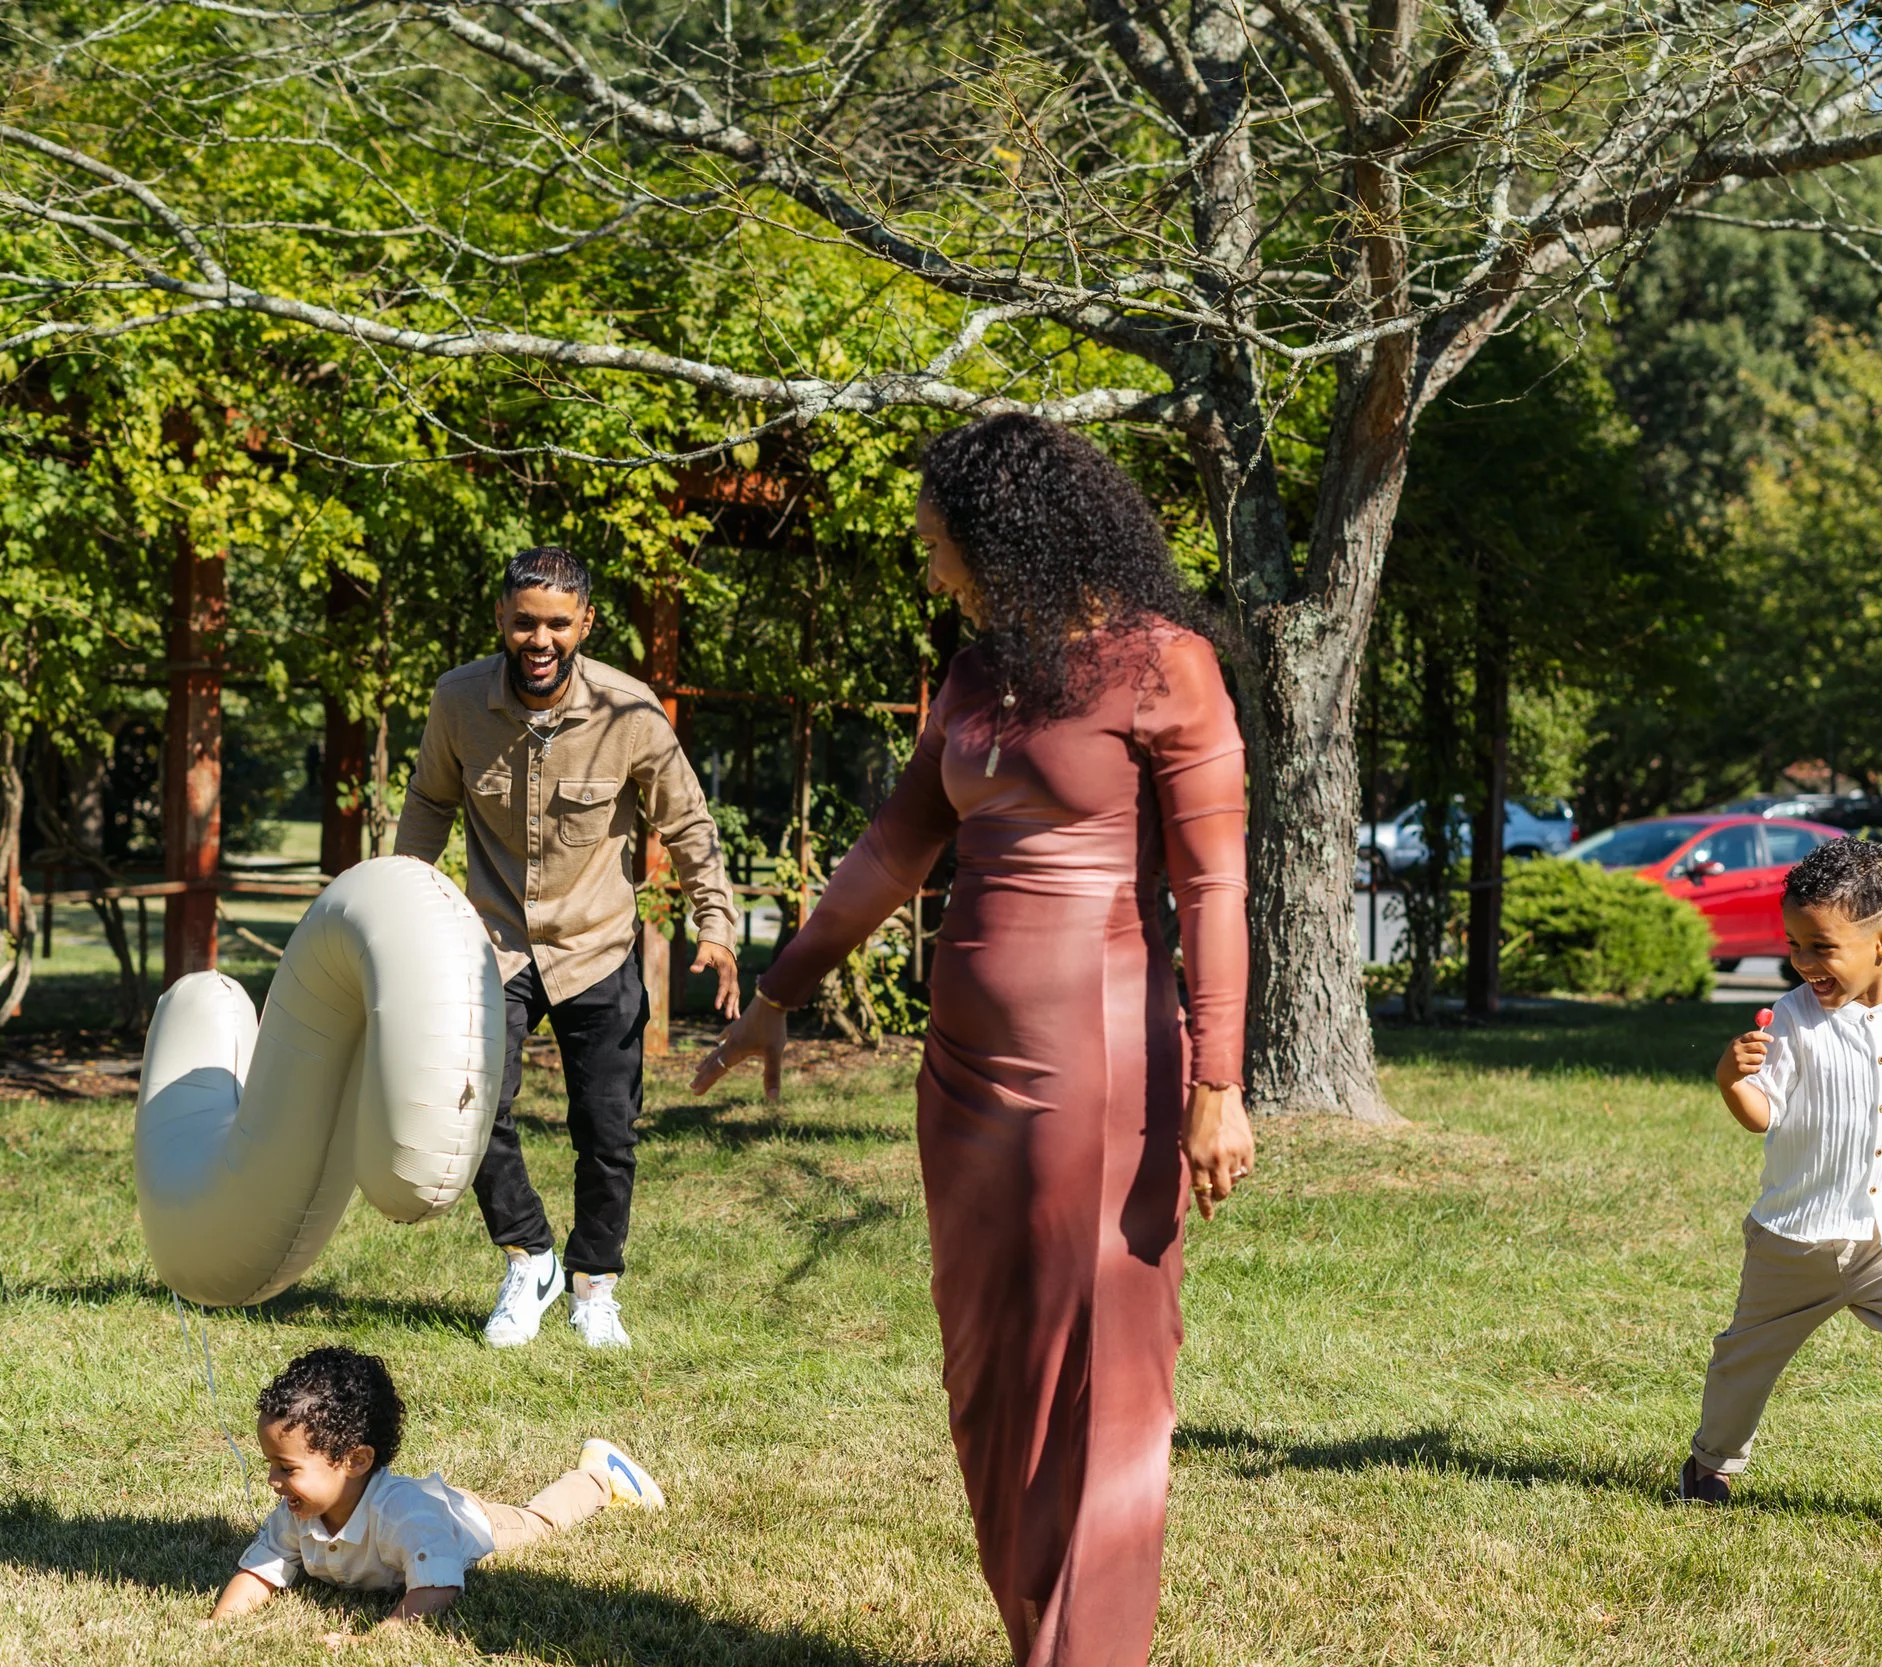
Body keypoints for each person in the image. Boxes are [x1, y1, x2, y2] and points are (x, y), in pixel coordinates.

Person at [693, 414, 1255, 1667]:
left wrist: (1217, 1082)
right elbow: (894, 848)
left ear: (1009, 537)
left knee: (1097, 1376)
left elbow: (1215, 888)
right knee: (993, 1374)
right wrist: (781, 991)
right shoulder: (975, 672)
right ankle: (1038, 1639)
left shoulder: (1168, 666)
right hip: (961, 1080)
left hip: (1099, 1075)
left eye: (941, 545)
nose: (931, 568)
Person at [397, 547, 741, 1351]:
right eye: (525, 621)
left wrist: (717, 926)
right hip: (494, 944)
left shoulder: (630, 711)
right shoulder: (457, 702)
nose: (540, 638)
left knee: (609, 1128)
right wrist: (399, 920)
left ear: (585, 622)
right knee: (470, 1108)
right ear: (502, 622)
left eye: (558, 622)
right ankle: (529, 1257)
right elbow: (427, 807)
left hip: (596, 945)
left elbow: (688, 823)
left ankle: (594, 1284)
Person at [1684, 838, 1882, 1530]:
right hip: (1794, 1237)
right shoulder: (1794, 1019)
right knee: (1745, 1357)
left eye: (1821, 947)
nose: (1802, 961)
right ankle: (1711, 1464)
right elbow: (1761, 1114)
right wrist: (1729, 1077)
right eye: (1794, 943)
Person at [210, 1345, 665, 1635]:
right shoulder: (297, 1510)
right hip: (433, 1511)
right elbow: (261, 1572)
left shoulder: (404, 1515)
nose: (273, 1482)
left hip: (464, 1522)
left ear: (356, 1461)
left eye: (287, 1468)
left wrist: (386, 1637)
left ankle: (599, 1477)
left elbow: (439, 1587)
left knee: (537, 1523)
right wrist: (219, 1624)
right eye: (270, 1465)